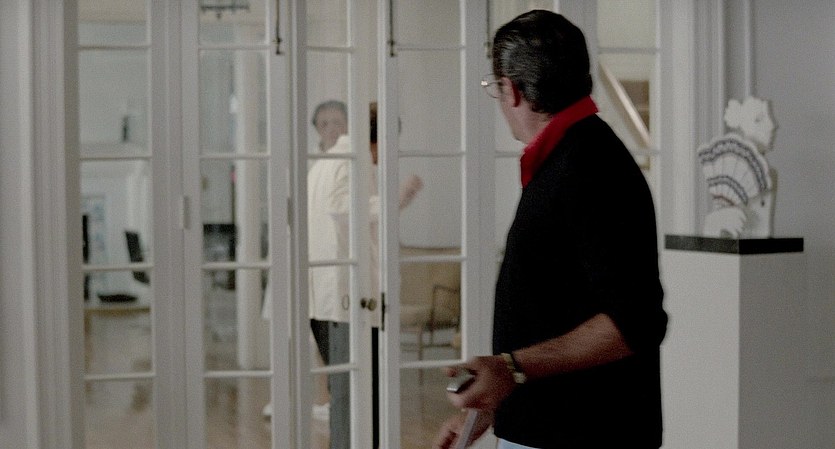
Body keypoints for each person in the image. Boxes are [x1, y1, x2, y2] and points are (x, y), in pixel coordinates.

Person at [433, 10, 667, 449]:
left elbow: (635, 321)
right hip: (556, 428)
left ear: (513, 90)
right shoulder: (572, 156)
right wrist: (491, 405)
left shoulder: (589, 166)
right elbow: (554, 308)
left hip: (583, 435)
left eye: (496, 88)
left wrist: (511, 368)